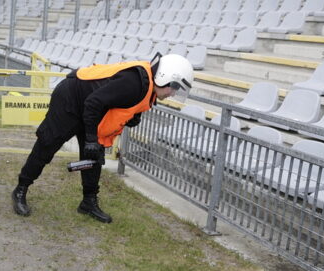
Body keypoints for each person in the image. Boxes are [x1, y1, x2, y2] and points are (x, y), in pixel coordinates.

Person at [11, 54, 194, 223]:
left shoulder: (148, 86)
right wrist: (90, 138)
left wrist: (128, 118)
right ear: (163, 76)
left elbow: (113, 103)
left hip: (91, 107)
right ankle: (21, 188)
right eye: (174, 86)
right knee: (47, 144)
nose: (173, 93)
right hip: (71, 99)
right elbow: (93, 103)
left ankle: (88, 202)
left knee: (93, 157)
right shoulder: (134, 83)